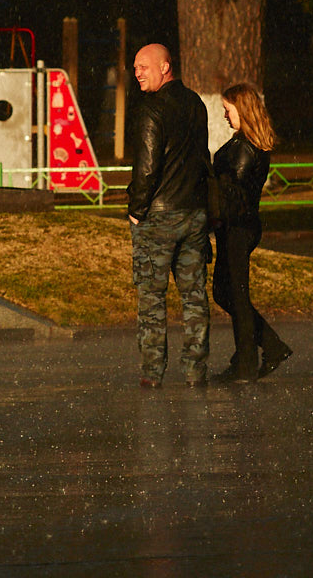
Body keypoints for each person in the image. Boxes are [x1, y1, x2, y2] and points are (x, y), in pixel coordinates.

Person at [126, 43, 212, 389]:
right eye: (135, 69)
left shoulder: (151, 110)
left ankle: (152, 372)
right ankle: (195, 370)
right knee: (194, 296)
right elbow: (201, 157)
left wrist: (136, 211)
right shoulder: (195, 104)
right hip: (193, 215)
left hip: (158, 219)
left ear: (166, 66)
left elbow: (146, 169)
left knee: (151, 298)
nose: (138, 73)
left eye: (143, 66)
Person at [211, 82, 292, 382]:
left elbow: (234, 192)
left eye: (228, 110)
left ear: (242, 110)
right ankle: (267, 346)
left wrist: (213, 187)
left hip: (237, 227)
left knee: (236, 295)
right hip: (238, 226)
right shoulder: (245, 142)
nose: (224, 116)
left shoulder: (245, 148)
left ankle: (248, 359)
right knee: (226, 292)